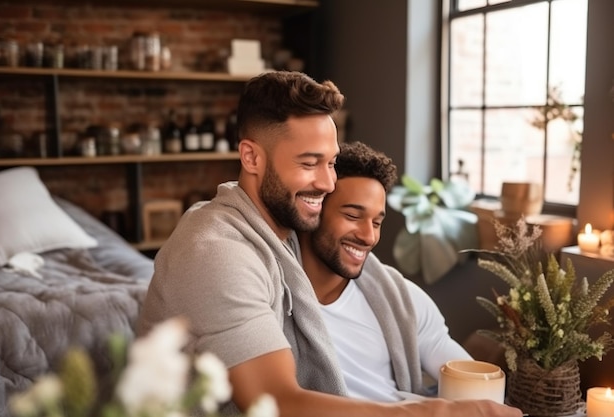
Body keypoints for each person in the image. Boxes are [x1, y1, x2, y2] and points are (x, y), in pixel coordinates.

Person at [137, 71, 522, 417]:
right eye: (309, 164)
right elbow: (276, 404)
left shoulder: (282, 239)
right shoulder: (217, 251)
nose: (327, 183)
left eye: (331, 163)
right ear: (251, 157)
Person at [295, 141, 472, 400]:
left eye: (377, 222)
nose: (369, 237)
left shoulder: (403, 300)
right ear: (314, 211)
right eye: (353, 216)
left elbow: (469, 379)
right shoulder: (272, 298)